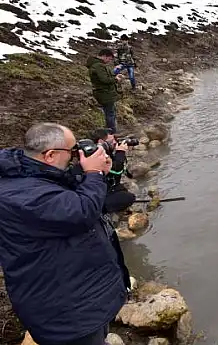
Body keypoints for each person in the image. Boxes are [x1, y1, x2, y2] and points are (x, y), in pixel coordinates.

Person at [0, 123, 128, 345]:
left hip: (78, 294)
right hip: (67, 312)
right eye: (73, 151)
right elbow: (81, 212)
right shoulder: (23, 196)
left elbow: (63, 187)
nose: (77, 155)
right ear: (50, 155)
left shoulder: (29, 172)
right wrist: (93, 173)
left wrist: (93, 172)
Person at [89, 128, 136, 213]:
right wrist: (120, 152)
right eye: (111, 140)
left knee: (122, 189)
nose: (114, 142)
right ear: (101, 142)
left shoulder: (100, 151)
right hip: (93, 196)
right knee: (128, 197)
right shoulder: (95, 155)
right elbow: (116, 171)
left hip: (102, 186)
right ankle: (100, 212)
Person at [88, 48, 121, 134]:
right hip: (104, 93)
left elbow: (105, 76)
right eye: (109, 59)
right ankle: (112, 133)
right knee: (110, 114)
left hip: (105, 93)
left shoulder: (98, 65)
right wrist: (116, 79)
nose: (109, 61)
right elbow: (105, 79)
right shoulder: (98, 66)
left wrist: (115, 73)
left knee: (110, 112)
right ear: (104, 56)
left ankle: (110, 132)